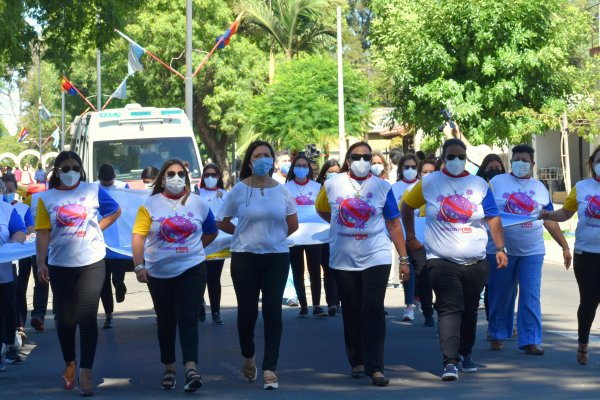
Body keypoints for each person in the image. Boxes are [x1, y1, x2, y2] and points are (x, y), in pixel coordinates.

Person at [401, 137, 508, 381]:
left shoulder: (480, 184)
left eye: (461, 156)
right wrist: (410, 237)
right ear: (443, 157)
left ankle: (465, 354)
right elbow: (406, 207)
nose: (456, 161)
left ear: (466, 157)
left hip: (476, 262)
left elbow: (492, 217)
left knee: (470, 309)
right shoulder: (429, 183)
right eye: (451, 156)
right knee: (450, 308)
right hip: (441, 260)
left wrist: (500, 247)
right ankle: (449, 361)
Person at [315, 141, 410, 387]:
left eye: (367, 156)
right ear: (348, 160)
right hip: (343, 258)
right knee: (352, 309)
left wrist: (403, 258)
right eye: (356, 156)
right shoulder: (332, 184)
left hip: (375, 255)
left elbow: (393, 223)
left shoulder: (382, 187)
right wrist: (342, 223)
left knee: (373, 309)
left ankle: (375, 367)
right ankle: (356, 359)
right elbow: (323, 210)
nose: (362, 160)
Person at [35, 151, 121, 396]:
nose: (71, 171)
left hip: (92, 262)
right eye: (65, 168)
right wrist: (41, 262)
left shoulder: (93, 191)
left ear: (81, 170)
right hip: (61, 265)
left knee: (86, 317)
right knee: (65, 321)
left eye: (75, 167)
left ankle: (86, 371)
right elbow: (42, 231)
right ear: (57, 171)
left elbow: (115, 211)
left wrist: (97, 229)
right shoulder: (46, 199)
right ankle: (70, 362)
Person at [216, 141, 298, 390]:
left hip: (276, 258)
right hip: (245, 258)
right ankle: (248, 357)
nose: (262, 159)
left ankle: (270, 368)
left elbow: (292, 224)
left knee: (273, 312)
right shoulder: (239, 190)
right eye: (257, 155)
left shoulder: (282, 191)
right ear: (249, 162)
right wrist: (242, 232)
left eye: (266, 155)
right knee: (247, 312)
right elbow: (222, 221)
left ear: (272, 161)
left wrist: (273, 238)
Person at [132, 159, 217, 393]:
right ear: (162, 177)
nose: (176, 177)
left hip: (192, 268)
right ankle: (169, 369)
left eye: (181, 173)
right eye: (171, 173)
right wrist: (139, 266)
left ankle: (192, 369)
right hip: (158, 273)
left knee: (188, 319)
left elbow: (211, 231)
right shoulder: (150, 205)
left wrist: (194, 248)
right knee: (166, 321)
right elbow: (138, 236)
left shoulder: (198, 203)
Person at [487, 144, 571, 355]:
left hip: (532, 250)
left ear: (533, 164)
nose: (520, 164)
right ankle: (497, 334)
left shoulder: (540, 188)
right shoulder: (497, 183)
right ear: (511, 161)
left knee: (531, 295)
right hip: (501, 250)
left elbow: (549, 219)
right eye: (517, 159)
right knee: (502, 294)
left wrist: (564, 246)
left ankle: (530, 340)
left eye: (525, 161)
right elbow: (486, 212)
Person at [539, 145, 600, 364]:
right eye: (598, 160)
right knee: (589, 301)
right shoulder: (582, 187)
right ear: (592, 163)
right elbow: (566, 212)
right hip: (586, 255)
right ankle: (583, 343)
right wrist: (548, 214)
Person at [285, 155, 326, 318]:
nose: (301, 168)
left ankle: (316, 305)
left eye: (304, 165)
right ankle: (303, 305)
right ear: (293, 168)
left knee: (315, 269)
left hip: (315, 235)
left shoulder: (317, 187)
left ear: (309, 168)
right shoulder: (285, 187)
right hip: (293, 234)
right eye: (298, 165)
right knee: (297, 270)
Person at [400, 158, 437, 327]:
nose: (428, 175)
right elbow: (403, 214)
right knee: (424, 277)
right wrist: (411, 238)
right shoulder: (411, 191)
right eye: (425, 172)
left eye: (432, 172)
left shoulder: (441, 190)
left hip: (440, 243)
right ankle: (428, 313)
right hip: (419, 245)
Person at [95, 164, 130, 329]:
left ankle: (119, 284)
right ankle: (109, 314)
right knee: (103, 280)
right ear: (99, 178)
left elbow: (131, 207)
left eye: (110, 182)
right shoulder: (93, 189)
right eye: (105, 182)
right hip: (100, 238)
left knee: (116, 272)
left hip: (118, 237)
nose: (108, 184)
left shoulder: (124, 187)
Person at [1, 174, 35, 345]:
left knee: (11, 301)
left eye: (8, 191)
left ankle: (12, 338)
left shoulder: (12, 210)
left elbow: (24, 231)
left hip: (9, 266)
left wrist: (14, 242)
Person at [0, 180, 27, 370]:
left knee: (7, 307)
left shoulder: (7, 209)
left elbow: (20, 232)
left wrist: (12, 243)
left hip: (4, 270)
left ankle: (9, 345)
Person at [197, 163, 228, 325]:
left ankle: (216, 311)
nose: (210, 178)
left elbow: (231, 216)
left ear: (218, 177)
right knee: (200, 277)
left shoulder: (225, 194)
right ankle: (199, 304)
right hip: (200, 241)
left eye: (213, 175)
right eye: (207, 175)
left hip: (219, 242)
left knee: (214, 278)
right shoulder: (196, 194)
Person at [391, 153, 420, 321]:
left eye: (414, 167)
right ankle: (409, 305)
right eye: (407, 167)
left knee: (421, 270)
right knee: (407, 269)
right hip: (402, 234)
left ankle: (418, 297)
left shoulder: (423, 186)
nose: (410, 170)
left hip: (422, 235)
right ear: (401, 169)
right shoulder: (394, 188)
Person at [315, 159, 342, 315]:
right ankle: (332, 302)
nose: (334, 175)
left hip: (340, 234)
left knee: (339, 268)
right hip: (321, 236)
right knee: (328, 268)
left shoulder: (345, 188)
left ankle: (339, 299)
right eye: (330, 172)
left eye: (337, 172)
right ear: (324, 173)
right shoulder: (318, 188)